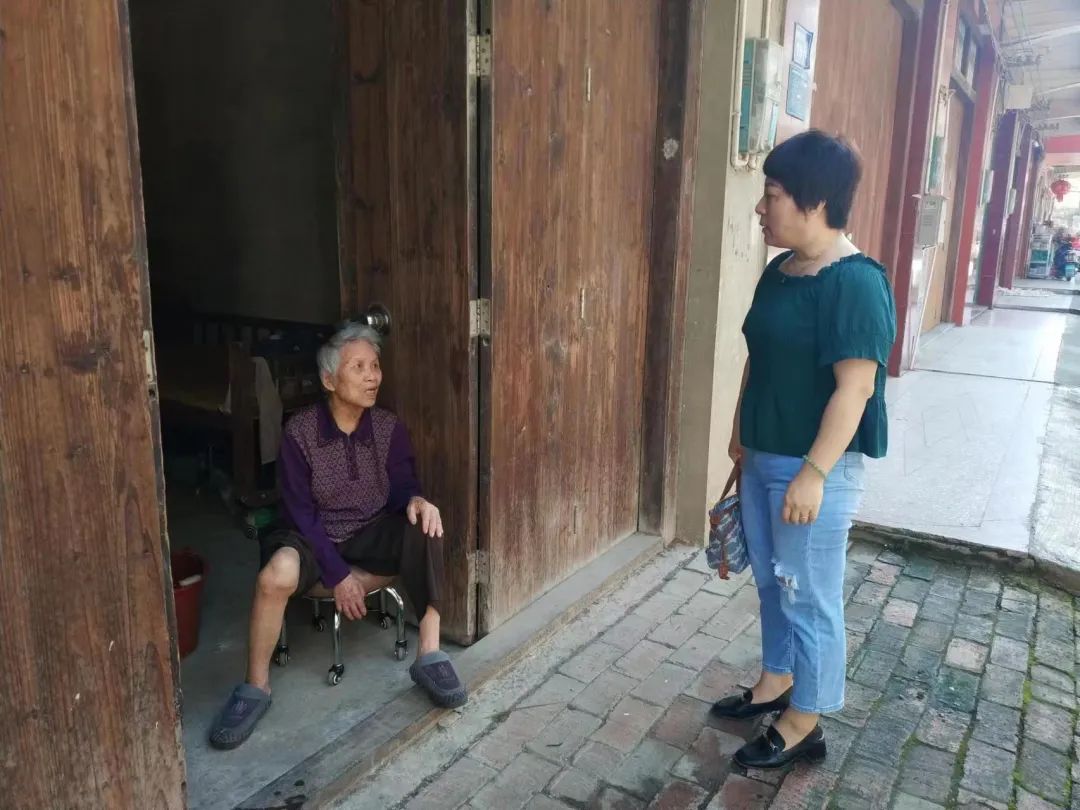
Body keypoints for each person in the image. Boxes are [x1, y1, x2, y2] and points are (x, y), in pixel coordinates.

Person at [710, 130, 896, 769]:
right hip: (763, 454)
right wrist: (740, 431)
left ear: (814, 201)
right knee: (771, 580)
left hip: (814, 468)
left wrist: (814, 473)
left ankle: (805, 720)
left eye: (772, 194)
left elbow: (856, 388)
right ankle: (775, 681)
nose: (761, 207)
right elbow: (758, 357)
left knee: (808, 593)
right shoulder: (779, 271)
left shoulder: (856, 282)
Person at [209, 323, 467, 750]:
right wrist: (338, 575)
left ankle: (429, 654)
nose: (372, 376)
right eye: (359, 367)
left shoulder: (387, 427)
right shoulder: (300, 433)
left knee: (427, 523)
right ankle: (255, 687)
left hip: (368, 529)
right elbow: (300, 512)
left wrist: (417, 499)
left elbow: (402, 484)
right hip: (311, 535)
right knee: (276, 574)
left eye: (375, 366)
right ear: (329, 380)